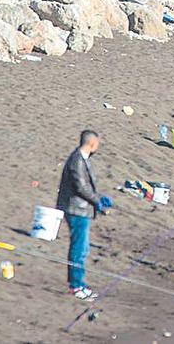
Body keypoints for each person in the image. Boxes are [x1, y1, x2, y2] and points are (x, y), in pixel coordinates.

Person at [56, 129, 112, 301]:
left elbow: (86, 186)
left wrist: (100, 198)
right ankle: (76, 286)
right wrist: (97, 201)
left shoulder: (82, 159)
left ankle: (79, 284)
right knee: (78, 249)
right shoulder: (77, 161)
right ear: (92, 144)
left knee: (83, 249)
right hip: (76, 210)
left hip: (81, 210)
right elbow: (81, 187)